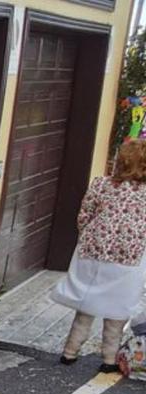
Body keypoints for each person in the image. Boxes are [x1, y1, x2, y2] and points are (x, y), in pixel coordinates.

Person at [52, 138, 146, 373]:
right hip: (129, 258)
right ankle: (109, 359)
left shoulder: (101, 184)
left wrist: (89, 237)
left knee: (86, 305)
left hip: (92, 251)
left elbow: (84, 215)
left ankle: (69, 352)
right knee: (117, 310)